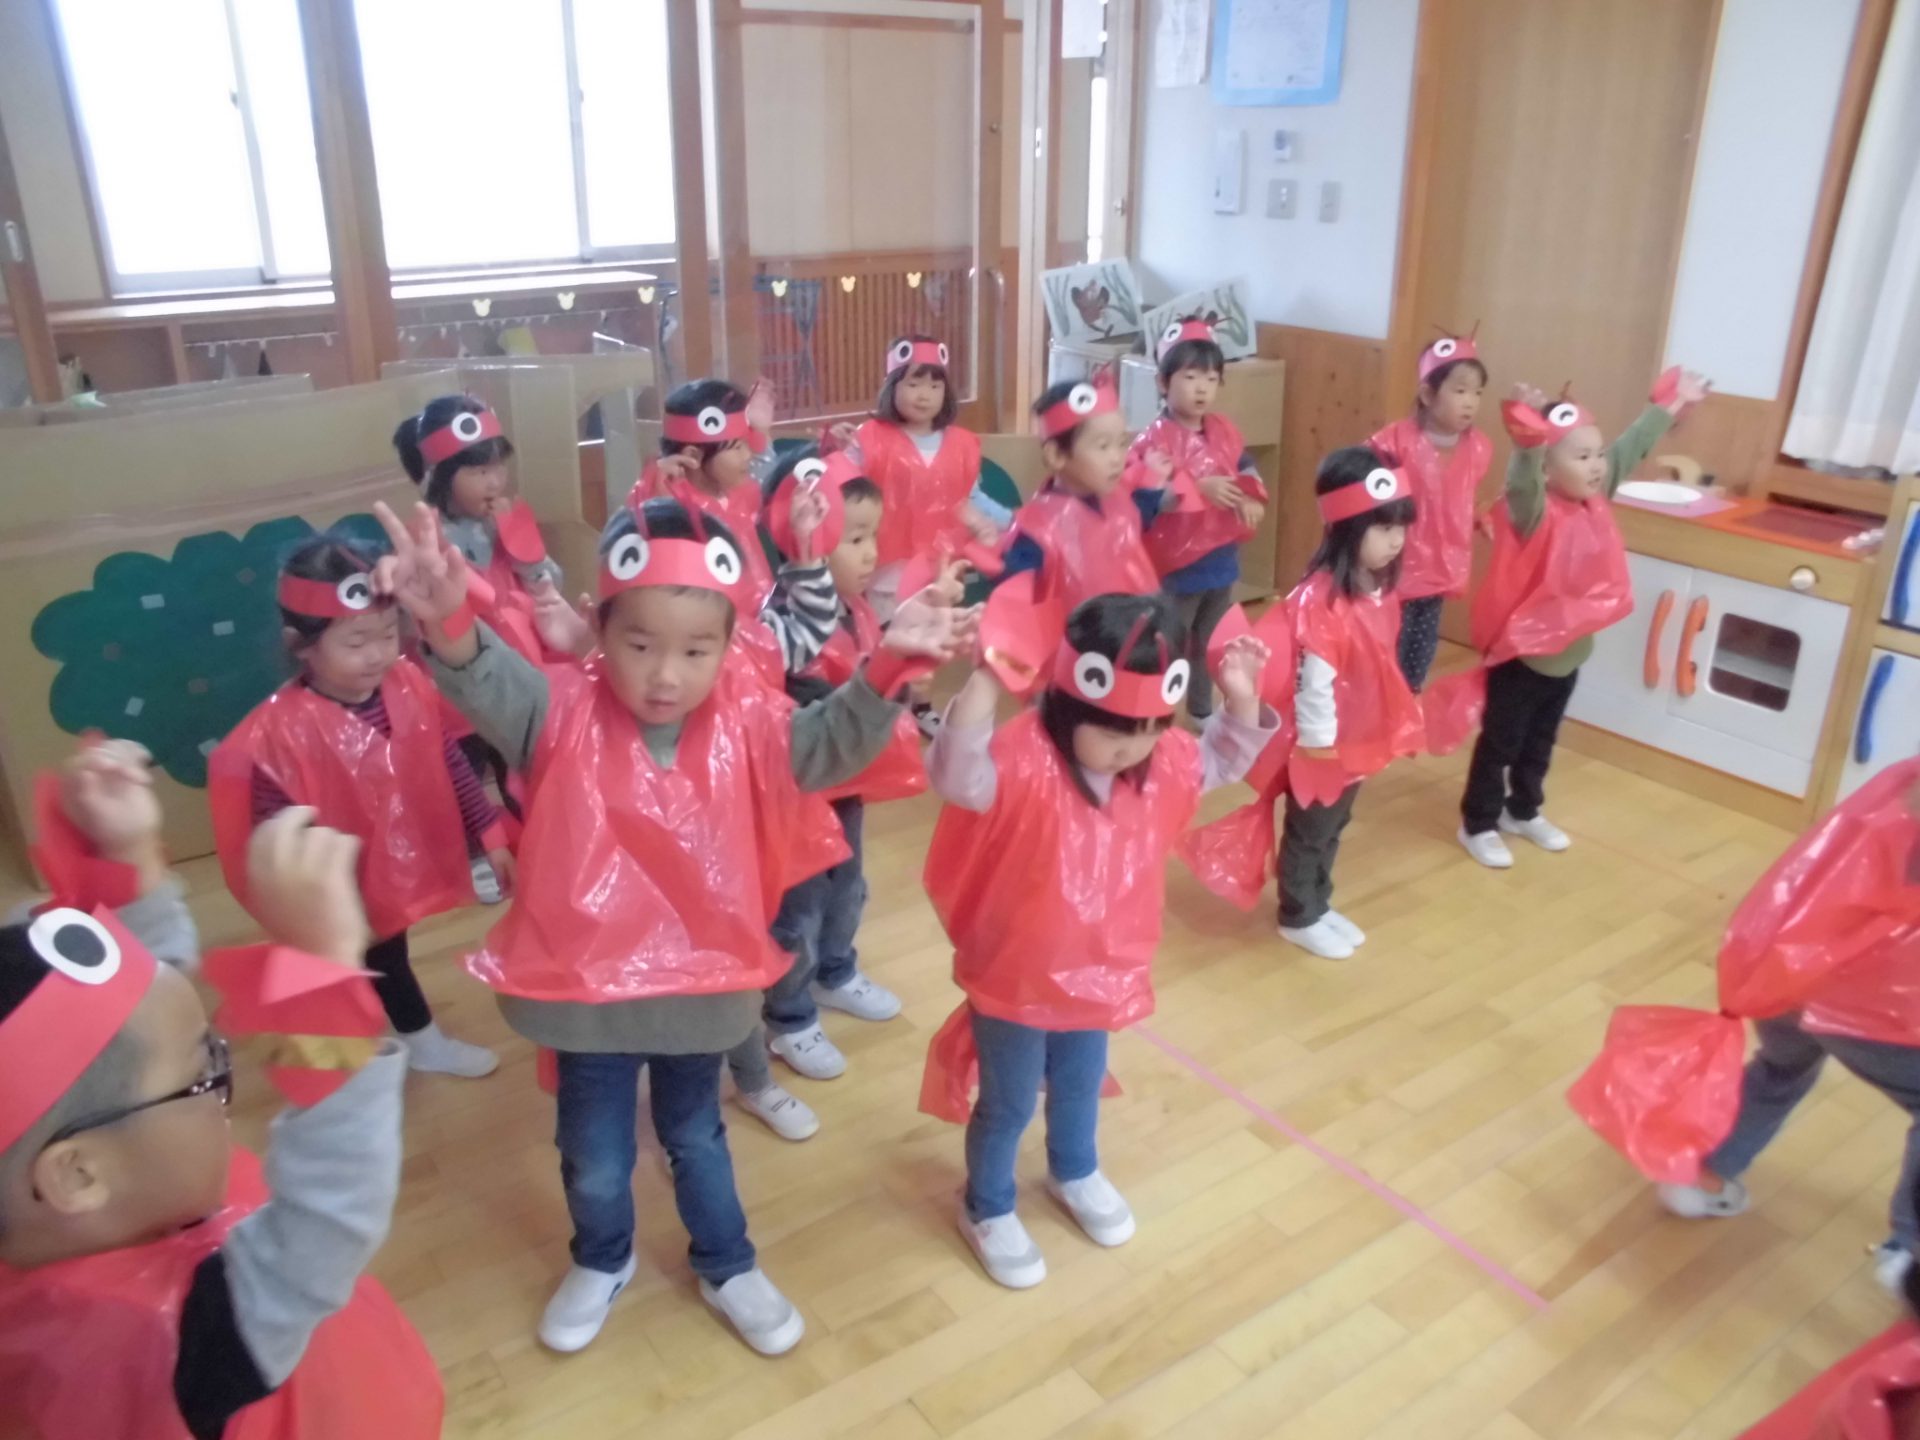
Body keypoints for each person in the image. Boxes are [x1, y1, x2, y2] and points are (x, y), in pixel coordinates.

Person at [373, 496, 973, 1357]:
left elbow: (831, 744)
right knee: (594, 1151)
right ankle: (603, 1257)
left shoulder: (753, 722)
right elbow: (487, 681)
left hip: (702, 990)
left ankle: (727, 1263)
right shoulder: (557, 710)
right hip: (586, 997)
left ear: (729, 647)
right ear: (598, 629)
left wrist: (886, 670)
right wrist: (447, 620)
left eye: (696, 651)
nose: (665, 675)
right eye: (640, 644)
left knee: (697, 1136)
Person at [0, 741, 441, 1439]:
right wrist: (320, 979)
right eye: (202, 1072)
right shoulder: (183, 1341)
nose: (221, 1086)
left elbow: (145, 1017)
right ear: (78, 1174)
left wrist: (129, 857)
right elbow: (331, 1211)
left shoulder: (59, 1214)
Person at [920, 590, 1276, 1288]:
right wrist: (985, 684)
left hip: (1100, 972)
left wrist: (1240, 698)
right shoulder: (1022, 758)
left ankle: (1074, 1169)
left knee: (1080, 1083)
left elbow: (1217, 763)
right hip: (1017, 976)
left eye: (1148, 728)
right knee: (1008, 1101)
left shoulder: (1160, 760)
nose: (1131, 747)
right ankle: (986, 1204)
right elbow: (959, 776)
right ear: (1070, 703)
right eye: (1114, 730)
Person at [1571, 757, 1920, 1298]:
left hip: (1791, 969)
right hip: (1873, 1007)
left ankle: (1703, 1175)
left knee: (1781, 1066)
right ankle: (1909, 1252)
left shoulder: (1900, 787)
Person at [207, 537, 503, 1079]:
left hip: (389, 870)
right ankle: (401, 1045)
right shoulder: (280, 733)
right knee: (376, 960)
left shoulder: (406, 683)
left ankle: (375, 1042)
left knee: (387, 955)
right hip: (336, 890)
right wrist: (321, 902)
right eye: (357, 641)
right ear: (300, 645)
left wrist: (489, 830)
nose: (378, 654)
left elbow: (445, 756)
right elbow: (276, 831)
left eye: (388, 634)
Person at [722, 448, 922, 1141]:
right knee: (796, 910)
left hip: (846, 788)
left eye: (873, 535)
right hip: (800, 799)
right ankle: (788, 1014)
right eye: (855, 536)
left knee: (848, 887)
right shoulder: (784, 619)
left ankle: (835, 971)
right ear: (803, 533)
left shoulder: (854, 606)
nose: (871, 552)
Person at [1458, 367, 1710, 869]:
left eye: (1597, 454)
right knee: (1501, 742)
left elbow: (1631, 446)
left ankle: (1522, 810)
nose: (1597, 466)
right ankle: (1479, 823)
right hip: (1522, 656)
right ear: (1549, 469)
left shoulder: (1595, 495)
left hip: (1569, 655)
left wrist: (1672, 403)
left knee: (1541, 740)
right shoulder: (1532, 509)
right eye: (1582, 456)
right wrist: (1527, 441)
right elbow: (1522, 481)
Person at [1275, 449, 1426, 961]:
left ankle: (1319, 902)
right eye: (1383, 528)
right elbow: (1314, 685)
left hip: (1357, 740)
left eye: (1400, 527)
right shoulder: (1322, 601)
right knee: (1310, 831)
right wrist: (1319, 752)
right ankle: (1298, 914)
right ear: (1346, 528)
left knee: (1334, 826)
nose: (1396, 540)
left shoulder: (1375, 589)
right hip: (1324, 749)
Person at [1126, 318, 1269, 721]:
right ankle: (1155, 713)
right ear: (1162, 382)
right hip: (1175, 569)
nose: (1201, 388)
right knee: (1167, 644)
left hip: (1220, 561)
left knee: (1212, 642)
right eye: (1189, 377)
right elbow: (1140, 502)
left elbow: (1244, 465)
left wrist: (1252, 495)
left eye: (1210, 378)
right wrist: (1194, 490)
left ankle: (1203, 711)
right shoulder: (1151, 441)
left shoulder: (1223, 430)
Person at [1366, 331, 1492, 691]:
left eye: (1477, 392)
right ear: (1427, 394)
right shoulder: (1393, 442)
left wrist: (1478, 516)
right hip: (1392, 561)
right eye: (1460, 390)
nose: (1470, 402)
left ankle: (1409, 695)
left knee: (1421, 639)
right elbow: (1363, 485)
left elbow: (1458, 497)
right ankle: (1376, 696)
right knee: (1382, 633)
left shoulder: (1478, 448)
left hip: (1439, 565)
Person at [994, 379, 1163, 614]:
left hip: (1137, 629)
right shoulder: (1037, 529)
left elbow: (1140, 514)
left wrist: (1159, 488)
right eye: (1103, 446)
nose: (1117, 458)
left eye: (1122, 444)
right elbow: (1014, 594)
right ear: (1056, 455)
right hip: (1076, 636)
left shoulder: (1120, 498)